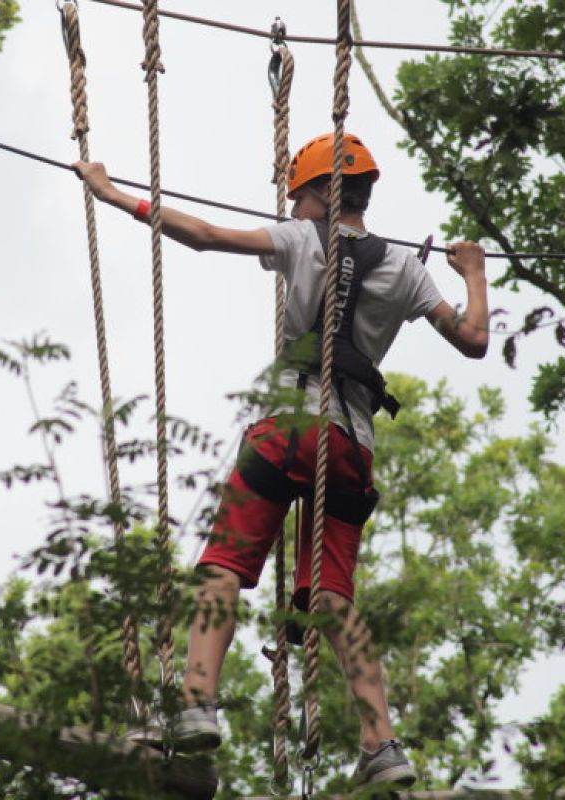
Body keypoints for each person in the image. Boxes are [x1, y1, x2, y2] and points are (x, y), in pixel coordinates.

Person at [74, 131, 488, 789]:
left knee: (220, 568)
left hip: (286, 431)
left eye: (298, 196)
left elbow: (205, 235)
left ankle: (196, 703)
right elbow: (472, 340)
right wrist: (472, 272)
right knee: (330, 597)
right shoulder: (409, 271)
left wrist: (111, 193)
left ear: (323, 193)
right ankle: (380, 744)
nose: (292, 208)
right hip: (351, 448)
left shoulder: (303, 240)